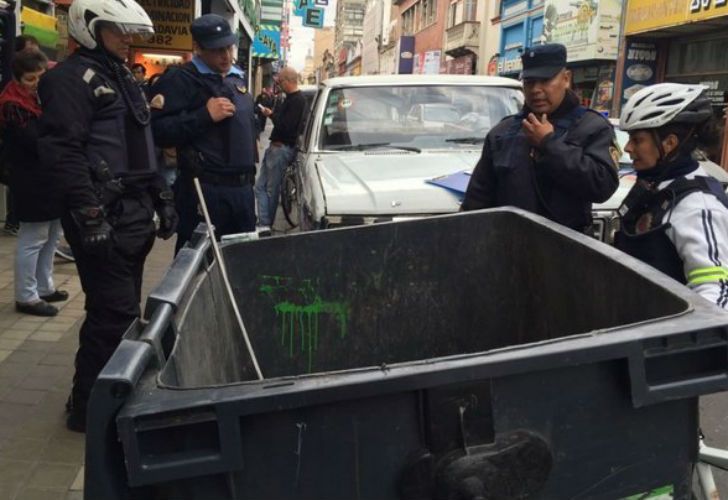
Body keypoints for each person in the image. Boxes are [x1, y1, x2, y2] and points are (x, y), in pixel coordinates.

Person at [37, 0, 178, 432]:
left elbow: (141, 143)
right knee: (113, 314)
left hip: (133, 211)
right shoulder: (66, 80)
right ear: (90, 28)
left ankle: (100, 399)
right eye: (116, 31)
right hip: (101, 214)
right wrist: (89, 212)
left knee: (121, 311)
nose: (125, 39)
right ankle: (91, 412)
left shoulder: (121, 77)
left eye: (126, 31)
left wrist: (161, 195)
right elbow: (62, 151)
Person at [461, 43, 619, 233]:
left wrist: (549, 144)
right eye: (529, 82)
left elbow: (602, 187)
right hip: (509, 248)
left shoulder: (592, 127)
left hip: (567, 251)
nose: (536, 90)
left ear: (566, 79)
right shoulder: (503, 132)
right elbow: (477, 199)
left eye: (545, 80)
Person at [150, 14, 258, 252]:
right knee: (196, 265)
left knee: (241, 262)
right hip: (205, 191)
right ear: (198, 48)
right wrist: (203, 116)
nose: (226, 56)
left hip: (242, 192)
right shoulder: (180, 79)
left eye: (228, 47)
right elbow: (158, 132)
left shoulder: (236, 78)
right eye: (217, 50)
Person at [615, 83, 728, 308]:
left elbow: (715, 290)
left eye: (637, 140)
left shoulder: (698, 206)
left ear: (669, 143)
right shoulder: (656, 185)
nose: (627, 148)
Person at [0, 50, 67, 316]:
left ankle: (44, 285)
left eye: (41, 77)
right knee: (33, 237)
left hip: (51, 176)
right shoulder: (12, 105)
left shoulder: (43, 100)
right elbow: (34, 140)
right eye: (30, 79)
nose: (37, 83)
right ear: (17, 80)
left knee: (52, 234)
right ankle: (26, 296)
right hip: (30, 178)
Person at [255, 67, 308, 235]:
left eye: (280, 81)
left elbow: (287, 127)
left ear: (287, 81)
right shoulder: (293, 99)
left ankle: (265, 224)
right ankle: (264, 222)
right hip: (278, 148)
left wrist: (271, 115)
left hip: (280, 148)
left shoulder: (296, 100)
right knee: (261, 187)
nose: (279, 84)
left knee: (269, 188)